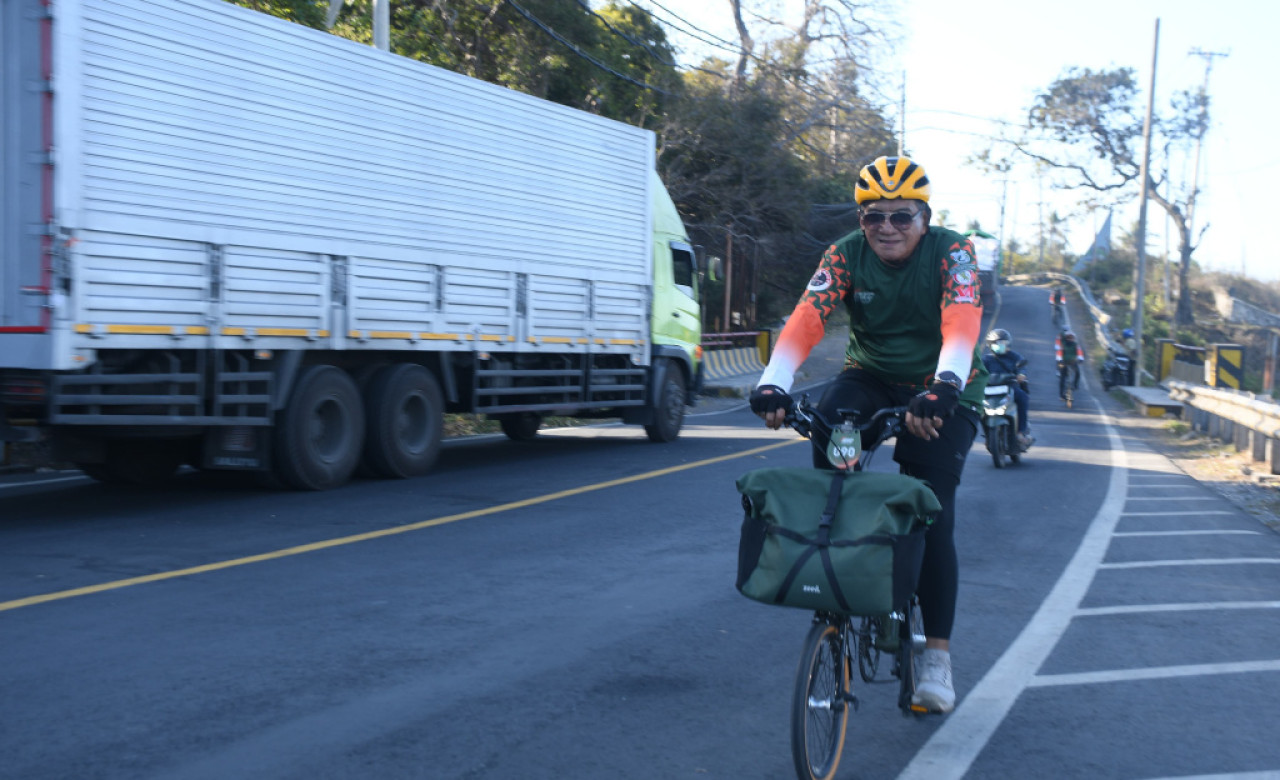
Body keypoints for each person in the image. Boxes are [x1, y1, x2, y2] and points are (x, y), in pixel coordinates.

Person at [748, 155, 987, 714]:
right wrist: (773, 383)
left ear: (924, 218)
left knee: (933, 512)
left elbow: (962, 318)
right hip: (871, 380)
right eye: (872, 216)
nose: (886, 228)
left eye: (901, 217)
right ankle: (839, 594)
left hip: (942, 389)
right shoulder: (846, 255)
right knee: (835, 453)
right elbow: (810, 315)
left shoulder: (952, 252)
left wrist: (945, 385)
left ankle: (937, 660)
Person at [981, 328, 1032, 449]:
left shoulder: (1014, 357)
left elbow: (1021, 367)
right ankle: (988, 435)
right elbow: (979, 371)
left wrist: (1021, 375)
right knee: (978, 407)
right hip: (990, 390)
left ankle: (1020, 432)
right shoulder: (986, 359)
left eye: (1003, 343)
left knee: (1023, 398)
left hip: (1010, 388)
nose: (1001, 346)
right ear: (990, 345)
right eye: (998, 344)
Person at [1055, 329, 1084, 399]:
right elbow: (1059, 353)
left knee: (1078, 373)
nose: (1070, 339)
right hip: (1063, 362)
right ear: (1066, 338)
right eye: (1068, 337)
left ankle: (1075, 385)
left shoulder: (1076, 345)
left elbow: (1079, 352)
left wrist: (1081, 359)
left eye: (1072, 338)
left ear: (1073, 339)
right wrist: (1060, 360)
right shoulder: (1063, 345)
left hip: (1072, 362)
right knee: (1062, 378)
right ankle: (1061, 394)